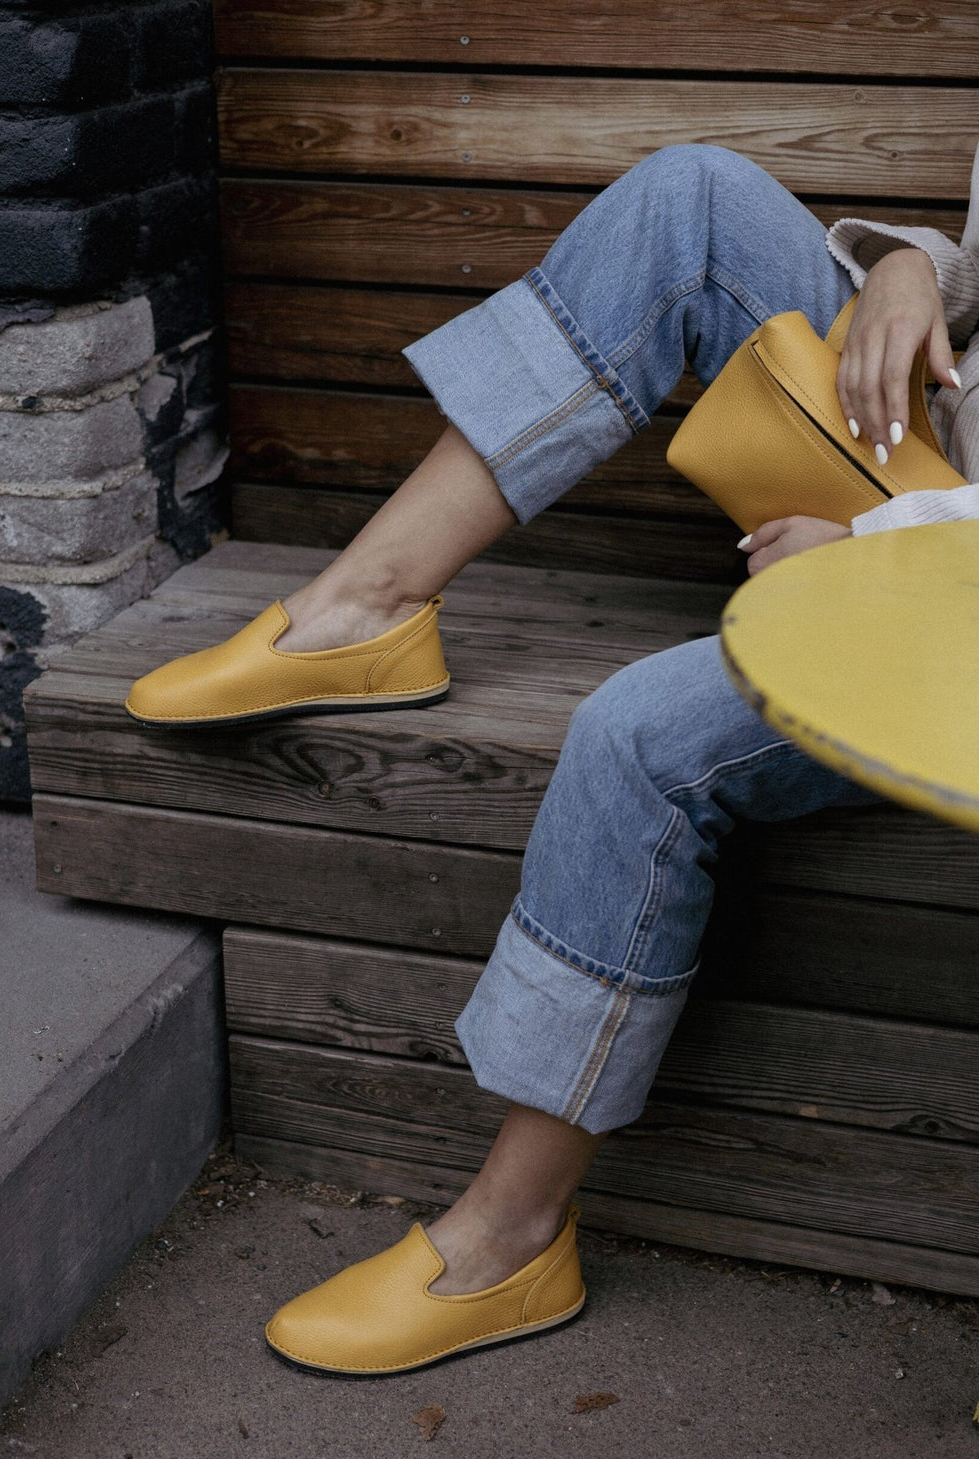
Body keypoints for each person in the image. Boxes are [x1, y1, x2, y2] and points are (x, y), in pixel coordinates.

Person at [129, 142, 979, 1377]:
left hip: (951, 585)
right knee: (690, 200)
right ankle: (367, 604)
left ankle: (509, 1240)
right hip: (940, 456)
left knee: (635, 738)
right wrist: (912, 268)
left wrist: (888, 549)